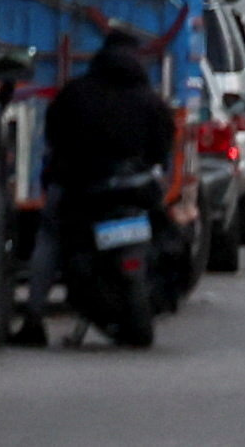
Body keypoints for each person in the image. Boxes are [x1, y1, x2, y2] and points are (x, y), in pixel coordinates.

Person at [42, 28, 180, 303]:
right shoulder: (150, 100)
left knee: (49, 239)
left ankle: (34, 315)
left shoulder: (75, 93)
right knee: (167, 231)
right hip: (136, 189)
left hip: (83, 188)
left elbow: (55, 136)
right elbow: (163, 145)